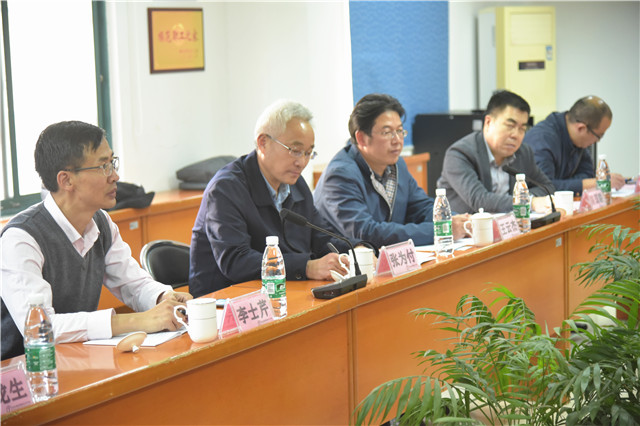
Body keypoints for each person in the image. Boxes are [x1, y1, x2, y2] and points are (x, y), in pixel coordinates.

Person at [1, 121, 192, 361]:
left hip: (77, 358)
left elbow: (132, 283)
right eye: (103, 166)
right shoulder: (21, 239)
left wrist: (164, 298)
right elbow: (41, 327)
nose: (115, 176)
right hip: (23, 370)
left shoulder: (101, 223)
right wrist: (137, 320)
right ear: (66, 180)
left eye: (112, 163)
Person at [189, 99, 350, 298]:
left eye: (308, 153)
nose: (302, 162)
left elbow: (321, 236)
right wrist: (307, 267)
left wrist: (357, 250)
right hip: (228, 302)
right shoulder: (226, 189)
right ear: (263, 142)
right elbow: (236, 261)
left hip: (281, 292)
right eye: (295, 151)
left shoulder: (296, 184)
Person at [313, 93, 469, 249]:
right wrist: (440, 230)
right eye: (387, 132)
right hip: (346, 260)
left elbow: (420, 207)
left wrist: (457, 221)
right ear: (361, 138)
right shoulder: (340, 175)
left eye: (400, 131)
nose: (397, 140)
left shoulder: (397, 164)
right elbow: (365, 233)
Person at [436, 90, 555, 214]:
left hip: (509, 223)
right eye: (510, 125)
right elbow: (480, 200)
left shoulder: (523, 153)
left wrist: (525, 199)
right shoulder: (459, 154)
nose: (516, 135)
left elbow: (547, 187)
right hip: (468, 224)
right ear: (488, 122)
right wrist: (529, 202)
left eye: (522, 128)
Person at [523, 95, 625, 194]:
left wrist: (570, 184)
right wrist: (597, 183)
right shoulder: (542, 139)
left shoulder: (577, 139)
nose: (598, 141)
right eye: (599, 136)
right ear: (581, 128)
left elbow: (587, 174)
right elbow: (544, 187)